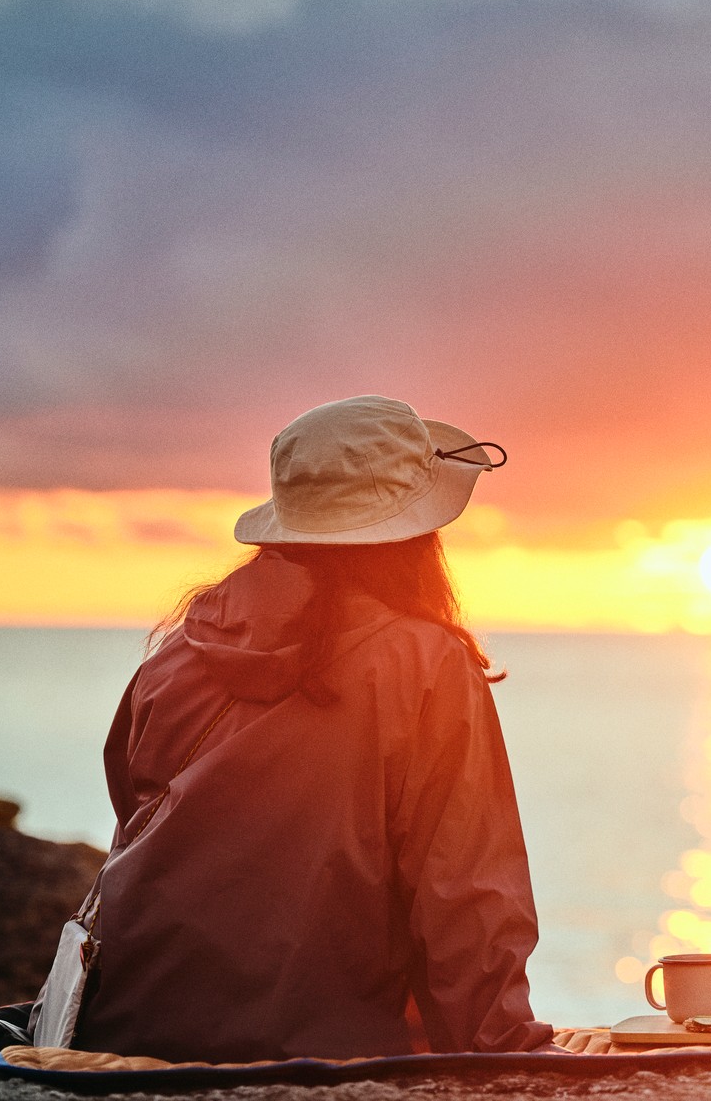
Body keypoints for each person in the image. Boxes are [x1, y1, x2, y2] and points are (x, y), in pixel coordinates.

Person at [71, 395, 552, 1062]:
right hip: (321, 1050)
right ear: (417, 536)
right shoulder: (426, 665)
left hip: (130, 1034)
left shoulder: (176, 654)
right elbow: (463, 896)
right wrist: (506, 1055)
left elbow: (137, 821)